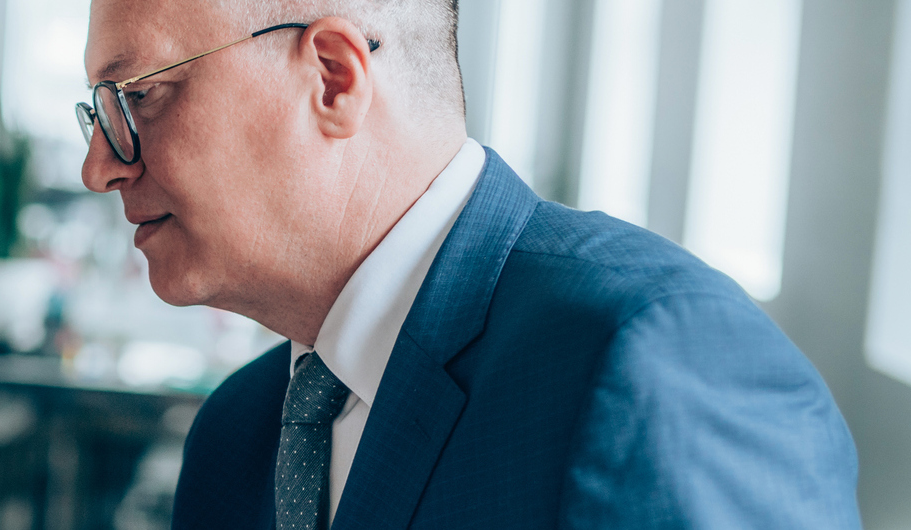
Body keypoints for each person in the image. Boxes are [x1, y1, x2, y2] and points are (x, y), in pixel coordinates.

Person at [75, 1, 861, 528]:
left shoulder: (651, 355)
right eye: (99, 108)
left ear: (334, 79)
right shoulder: (235, 434)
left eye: (140, 97)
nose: (98, 166)